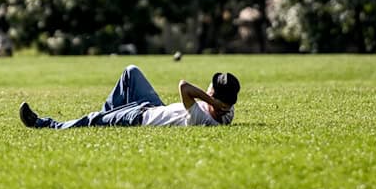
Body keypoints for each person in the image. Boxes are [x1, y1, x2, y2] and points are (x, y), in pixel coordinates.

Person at [19, 65, 239, 129]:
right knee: (131, 72)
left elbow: (184, 87)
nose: (208, 87)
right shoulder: (228, 112)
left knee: (93, 120)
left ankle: (44, 124)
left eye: (211, 89)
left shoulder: (203, 119)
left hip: (140, 117)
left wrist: (211, 101)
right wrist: (217, 102)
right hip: (154, 106)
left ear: (216, 99)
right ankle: (107, 118)